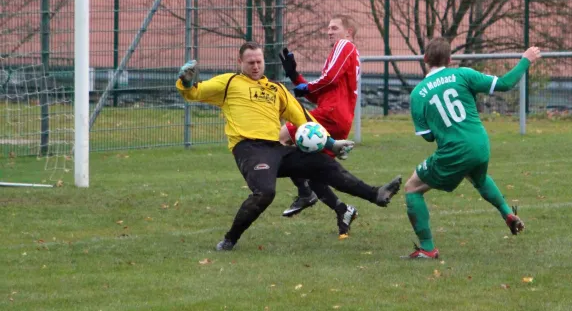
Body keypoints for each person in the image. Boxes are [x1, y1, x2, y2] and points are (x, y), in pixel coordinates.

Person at [176, 41, 401, 251]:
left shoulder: (276, 89)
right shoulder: (228, 82)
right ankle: (230, 239)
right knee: (265, 193)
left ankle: (376, 194)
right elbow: (194, 92)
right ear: (240, 63)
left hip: (277, 149)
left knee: (323, 164)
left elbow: (303, 118)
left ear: (264, 61)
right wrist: (186, 81)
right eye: (250, 62)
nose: (255, 66)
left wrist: (332, 144)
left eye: (259, 62)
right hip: (250, 149)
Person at [403, 37, 541, 259]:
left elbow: (428, 137)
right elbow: (505, 84)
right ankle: (507, 214)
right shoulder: (463, 74)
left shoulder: (418, 94)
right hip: (480, 144)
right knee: (478, 176)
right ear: (450, 59)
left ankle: (428, 249)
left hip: (454, 150)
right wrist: (525, 60)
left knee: (412, 189)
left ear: (426, 58)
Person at [278, 14, 362, 239]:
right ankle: (343, 210)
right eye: (328, 28)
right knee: (313, 169)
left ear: (348, 33)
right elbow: (320, 94)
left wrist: (304, 88)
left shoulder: (345, 46)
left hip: (331, 115)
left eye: (334, 27)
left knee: (281, 137)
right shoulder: (341, 55)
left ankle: (305, 193)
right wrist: (296, 76)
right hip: (336, 116)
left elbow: (330, 78)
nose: (329, 31)